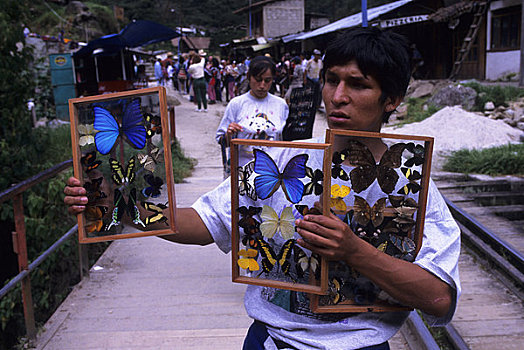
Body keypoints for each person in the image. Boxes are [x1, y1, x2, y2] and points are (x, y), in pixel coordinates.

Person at [64, 27, 460, 349]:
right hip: (269, 341)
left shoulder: (411, 185)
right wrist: (116, 206)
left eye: (358, 85)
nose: (338, 97)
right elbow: (205, 223)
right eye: (332, 80)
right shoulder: (283, 160)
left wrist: (355, 252)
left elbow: (439, 298)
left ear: (391, 98)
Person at [215, 55, 289, 166]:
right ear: (249, 77)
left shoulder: (281, 105)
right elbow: (221, 140)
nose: (262, 85)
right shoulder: (237, 104)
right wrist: (229, 135)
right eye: (258, 80)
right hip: (241, 173)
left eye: (267, 80)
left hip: (272, 173)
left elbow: (286, 141)